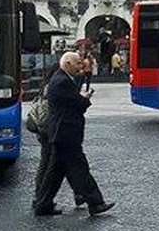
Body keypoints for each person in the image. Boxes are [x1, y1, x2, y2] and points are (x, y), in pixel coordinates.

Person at [32, 52, 115, 217]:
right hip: (66, 133)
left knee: (54, 174)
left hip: (63, 134)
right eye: (77, 63)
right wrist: (86, 98)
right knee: (80, 169)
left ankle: (42, 205)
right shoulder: (62, 82)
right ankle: (95, 202)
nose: (81, 66)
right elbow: (78, 104)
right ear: (68, 63)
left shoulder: (61, 79)